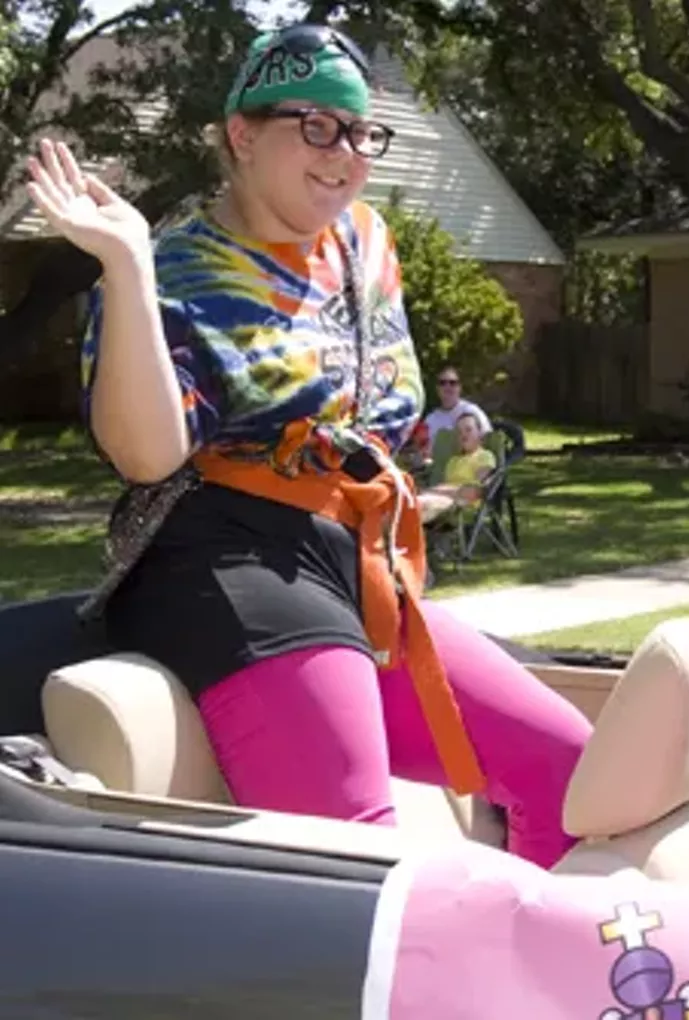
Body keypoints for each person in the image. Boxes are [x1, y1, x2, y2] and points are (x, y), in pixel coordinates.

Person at [24, 23, 592, 868]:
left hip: (349, 562)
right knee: (360, 857)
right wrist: (128, 270)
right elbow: (146, 457)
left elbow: (380, 416)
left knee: (569, 771)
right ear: (242, 136)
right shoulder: (171, 267)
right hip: (227, 559)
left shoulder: (365, 244)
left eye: (363, 131)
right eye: (316, 126)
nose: (346, 152)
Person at [419, 412, 496, 524]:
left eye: (468, 430)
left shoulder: (484, 456)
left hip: (462, 506)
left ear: (479, 433)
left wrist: (435, 492)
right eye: (459, 432)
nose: (463, 434)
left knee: (416, 506)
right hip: (442, 500)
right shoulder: (453, 461)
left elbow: (476, 490)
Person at [422, 365, 491, 458]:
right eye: (442, 383)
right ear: (437, 388)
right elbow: (423, 449)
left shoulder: (471, 410)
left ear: (460, 387)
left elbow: (487, 439)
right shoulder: (430, 419)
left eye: (453, 383)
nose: (447, 386)